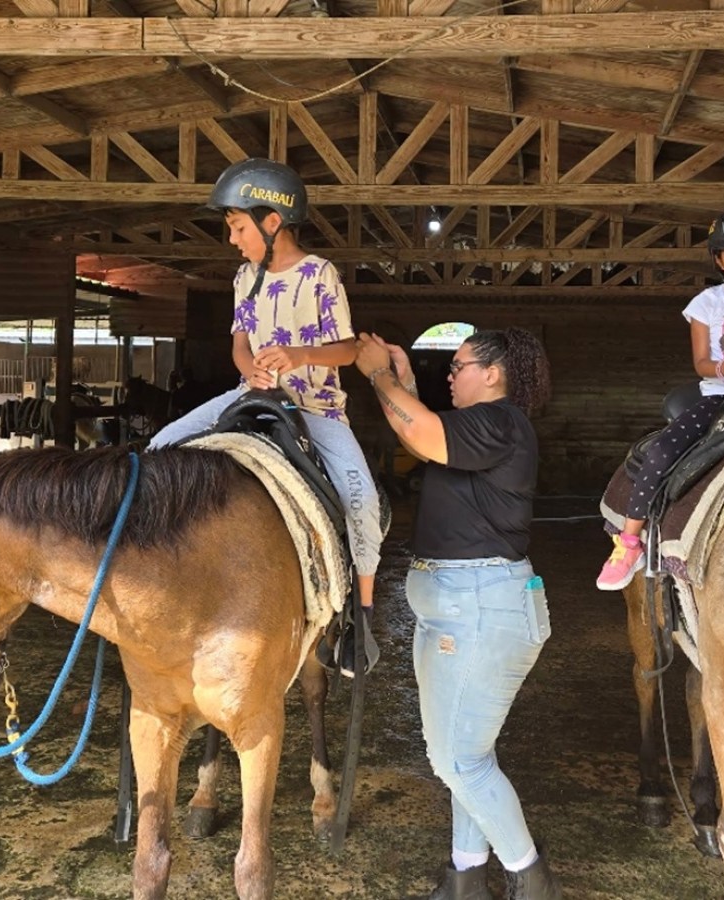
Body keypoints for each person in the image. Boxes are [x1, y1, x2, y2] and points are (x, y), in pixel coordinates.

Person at [148, 158, 384, 673]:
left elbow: (345, 350)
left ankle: (361, 614)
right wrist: (250, 370)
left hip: (314, 406)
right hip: (249, 395)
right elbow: (239, 344)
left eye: (237, 227)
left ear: (271, 222)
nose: (233, 239)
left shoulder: (319, 274)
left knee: (361, 497)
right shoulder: (243, 277)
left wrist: (300, 356)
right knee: (159, 445)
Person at [354, 327, 560, 900]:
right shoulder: (481, 427)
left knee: (458, 760)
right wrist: (402, 382)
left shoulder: (501, 421)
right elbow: (424, 427)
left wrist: (376, 375)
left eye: (460, 366)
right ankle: (466, 876)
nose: (453, 375)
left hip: (478, 606)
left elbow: (419, 429)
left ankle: (532, 879)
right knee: (463, 756)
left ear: (493, 373)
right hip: (459, 606)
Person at [595, 204, 724, 591]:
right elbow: (702, 364)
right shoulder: (705, 304)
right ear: (719, 259)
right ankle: (630, 541)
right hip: (720, 398)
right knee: (661, 452)